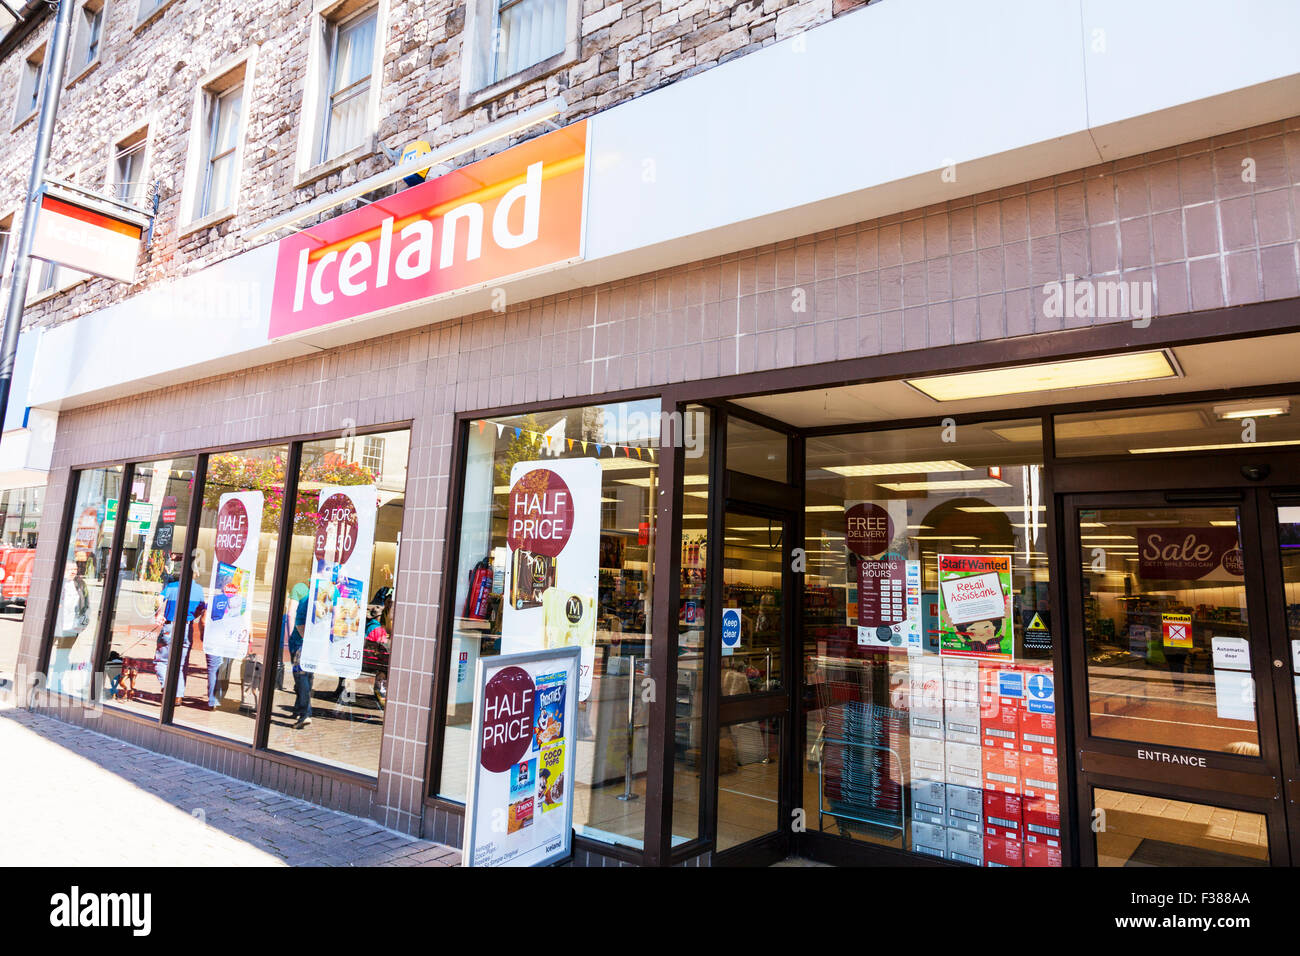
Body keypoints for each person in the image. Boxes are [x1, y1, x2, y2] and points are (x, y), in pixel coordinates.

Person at [286, 583, 312, 728]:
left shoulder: (299, 588)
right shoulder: (331, 591)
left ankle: (305, 713)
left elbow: (291, 613)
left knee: (300, 676)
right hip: (315, 642)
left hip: (299, 640)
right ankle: (298, 709)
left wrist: (291, 636)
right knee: (307, 676)